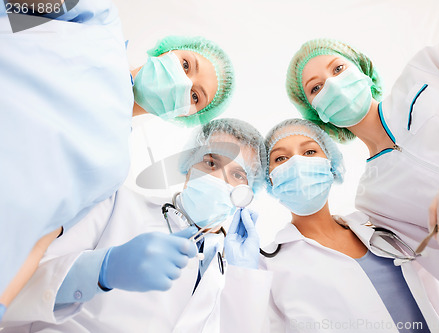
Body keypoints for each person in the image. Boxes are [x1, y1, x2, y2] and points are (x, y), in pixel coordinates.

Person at [0, 118, 272, 333]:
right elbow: (18, 284)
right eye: (211, 161)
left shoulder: (233, 266)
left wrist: (244, 278)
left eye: (238, 174)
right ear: (188, 164)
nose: (219, 178)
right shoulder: (117, 203)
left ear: (249, 192)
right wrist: (102, 269)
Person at [285, 39, 439, 284]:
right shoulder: (374, 200)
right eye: (316, 88)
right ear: (317, 115)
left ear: (362, 69)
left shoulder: (428, 68)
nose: (333, 85)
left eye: (338, 69)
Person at [261, 119, 439, 333]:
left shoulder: (380, 225)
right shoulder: (269, 266)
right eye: (280, 158)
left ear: (331, 164)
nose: (297, 163)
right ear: (268, 179)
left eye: (310, 151)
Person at [0, 0, 134, 312]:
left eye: (195, 97)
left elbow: (40, 240)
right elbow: (19, 14)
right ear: (165, 51)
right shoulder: (100, 23)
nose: (183, 85)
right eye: (185, 65)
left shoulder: (117, 166)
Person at [131, 35, 234, 127]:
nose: (182, 83)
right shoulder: (114, 44)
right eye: (186, 65)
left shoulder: (117, 143)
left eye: (195, 96)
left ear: (188, 116)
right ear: (169, 49)